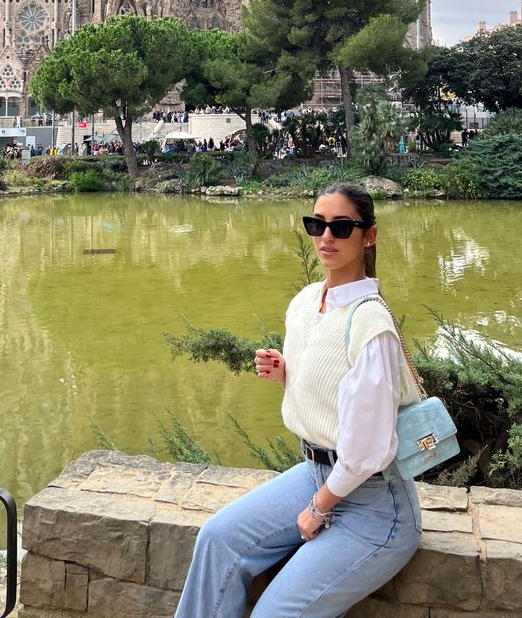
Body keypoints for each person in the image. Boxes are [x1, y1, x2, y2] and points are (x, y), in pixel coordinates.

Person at [174, 183, 422, 618]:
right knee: (217, 540)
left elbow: (368, 449)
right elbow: (332, 393)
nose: (326, 236)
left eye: (341, 227)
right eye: (317, 224)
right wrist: (287, 373)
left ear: (369, 235)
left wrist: (317, 508)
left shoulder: (370, 323)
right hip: (314, 471)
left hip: (375, 506)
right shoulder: (307, 302)